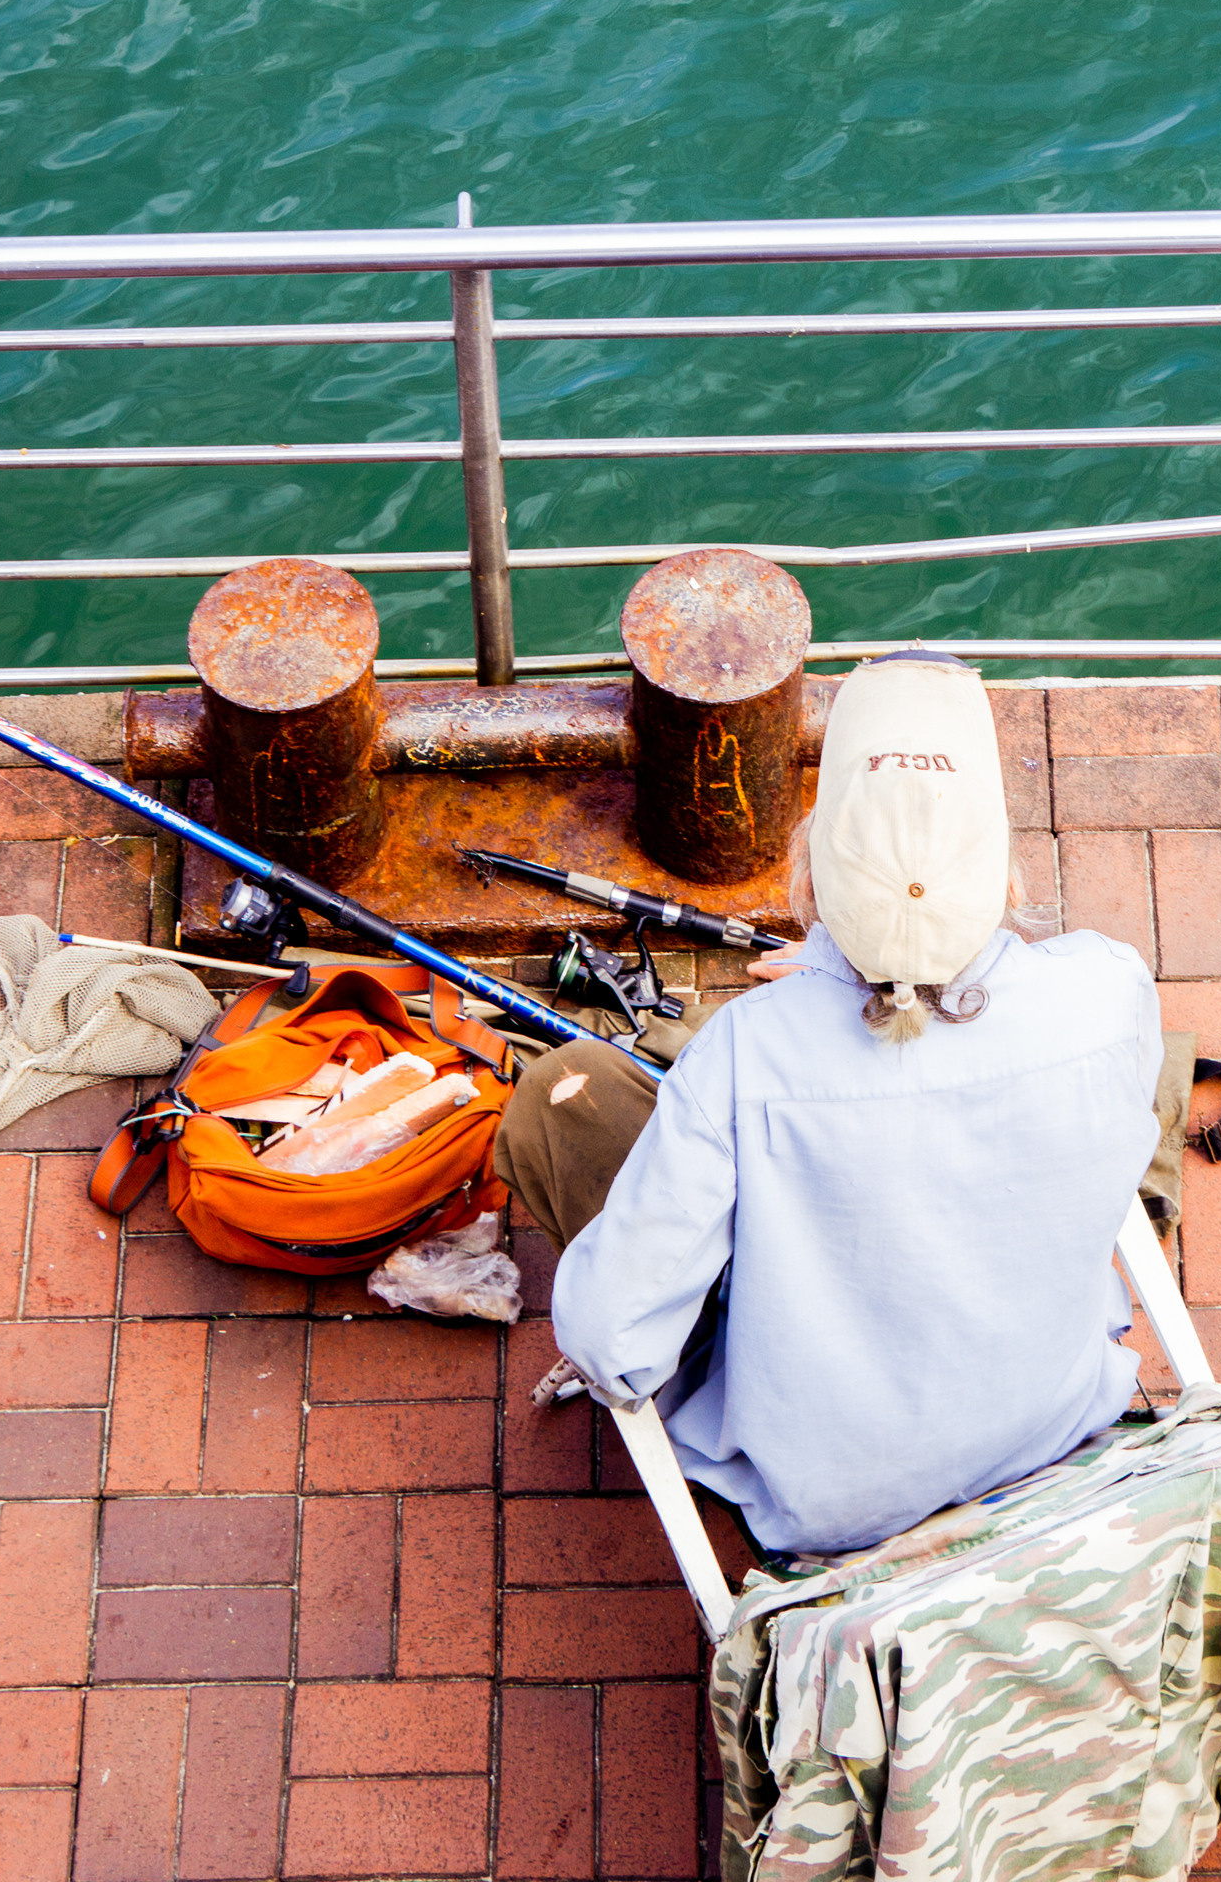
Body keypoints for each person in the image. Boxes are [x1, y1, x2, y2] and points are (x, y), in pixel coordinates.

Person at [491, 648, 1177, 1561]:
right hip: (1057, 1419)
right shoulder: (1106, 986)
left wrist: (817, 988)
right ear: (1003, 877)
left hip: (831, 1497)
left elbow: (613, 1341)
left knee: (565, 1089)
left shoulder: (745, 1052)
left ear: (809, 883)